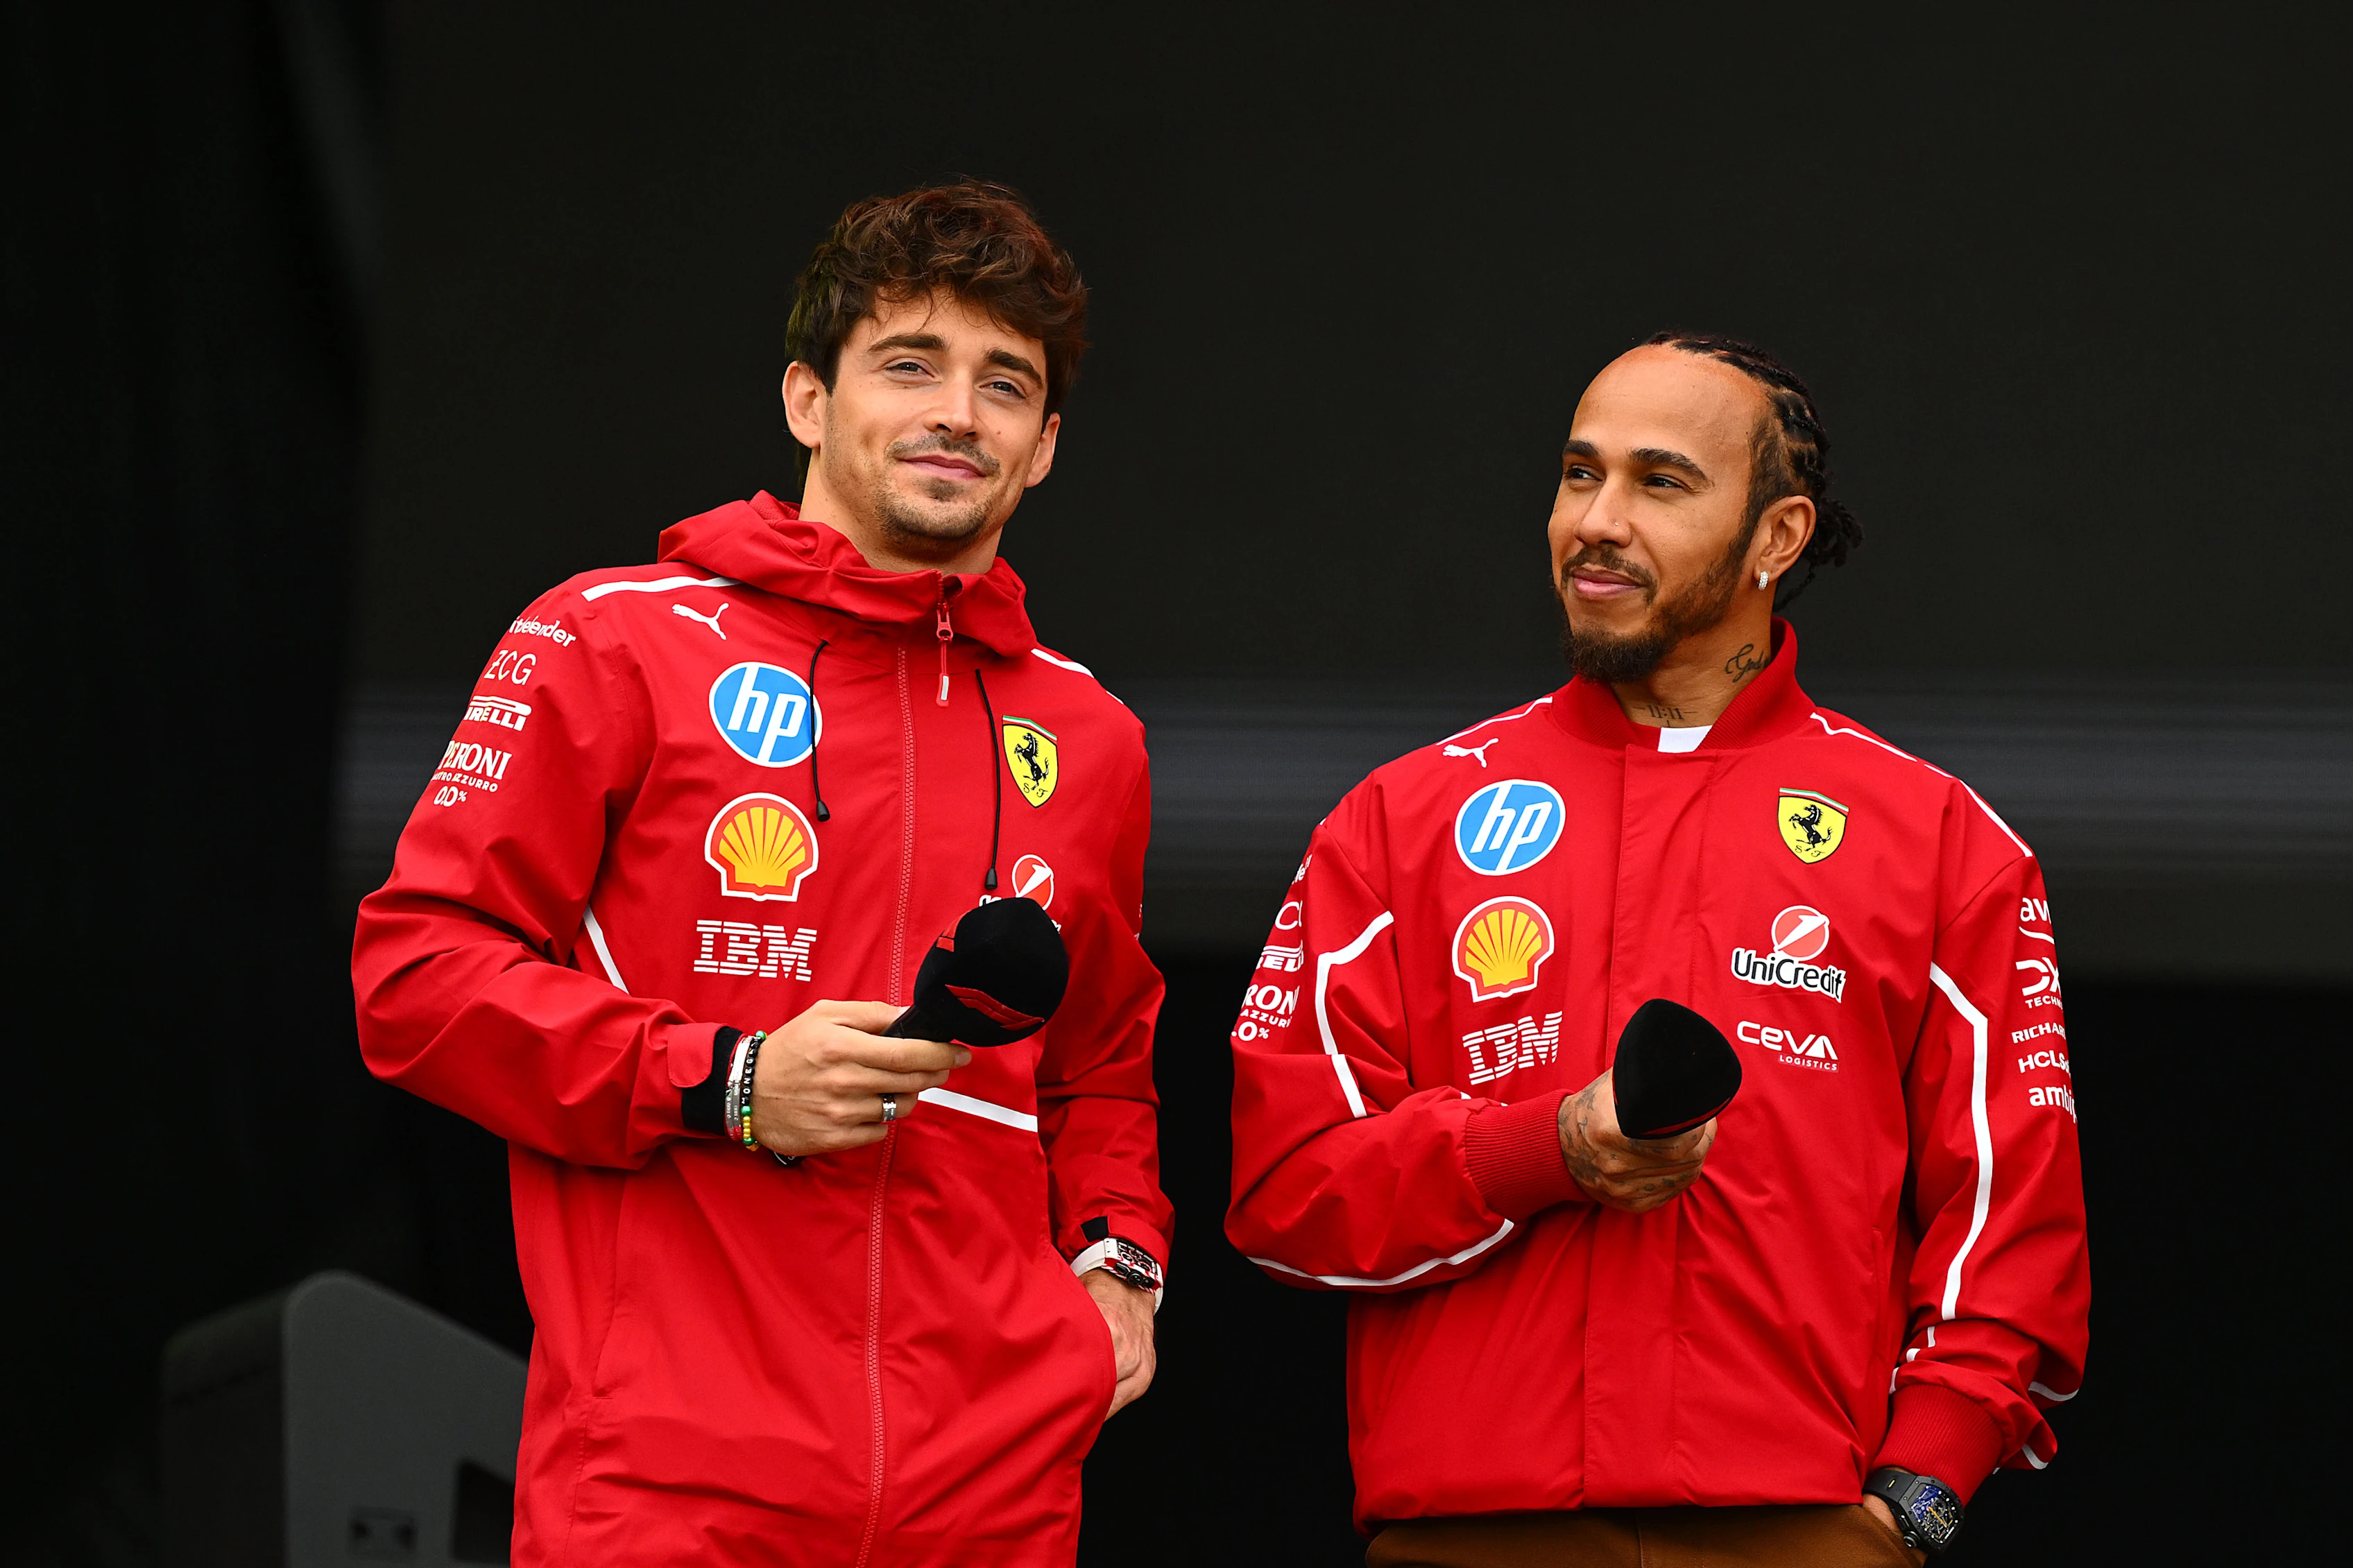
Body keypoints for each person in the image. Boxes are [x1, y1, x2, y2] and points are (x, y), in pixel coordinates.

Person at [354, 181, 1170, 1566]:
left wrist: (1118, 1266)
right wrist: (726, 1079)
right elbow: (415, 979)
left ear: (1041, 449)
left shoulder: (1087, 734)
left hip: (994, 1495)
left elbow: (1096, 1065)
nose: (957, 414)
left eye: (1003, 384)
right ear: (806, 398)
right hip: (670, 1485)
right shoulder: (612, 639)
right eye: (909, 364)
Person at [1226, 335, 2087, 1566]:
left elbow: (2013, 1224)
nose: (1598, 521)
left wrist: (1915, 1506)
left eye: (1661, 482)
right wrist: (1542, 1149)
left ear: (1777, 538)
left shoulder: (1940, 839)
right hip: (1474, 1534)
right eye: (1581, 476)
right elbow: (1284, 1192)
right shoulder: (1400, 820)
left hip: (1802, 1533)